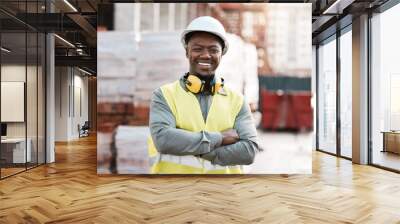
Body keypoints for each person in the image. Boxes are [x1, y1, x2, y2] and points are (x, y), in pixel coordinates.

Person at [148, 16, 259, 174]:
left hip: (222, 194)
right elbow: (163, 140)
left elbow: (249, 151)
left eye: (213, 50)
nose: (206, 55)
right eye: (198, 49)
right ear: (187, 52)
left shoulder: (237, 101)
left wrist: (194, 148)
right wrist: (220, 138)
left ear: (222, 54)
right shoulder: (164, 95)